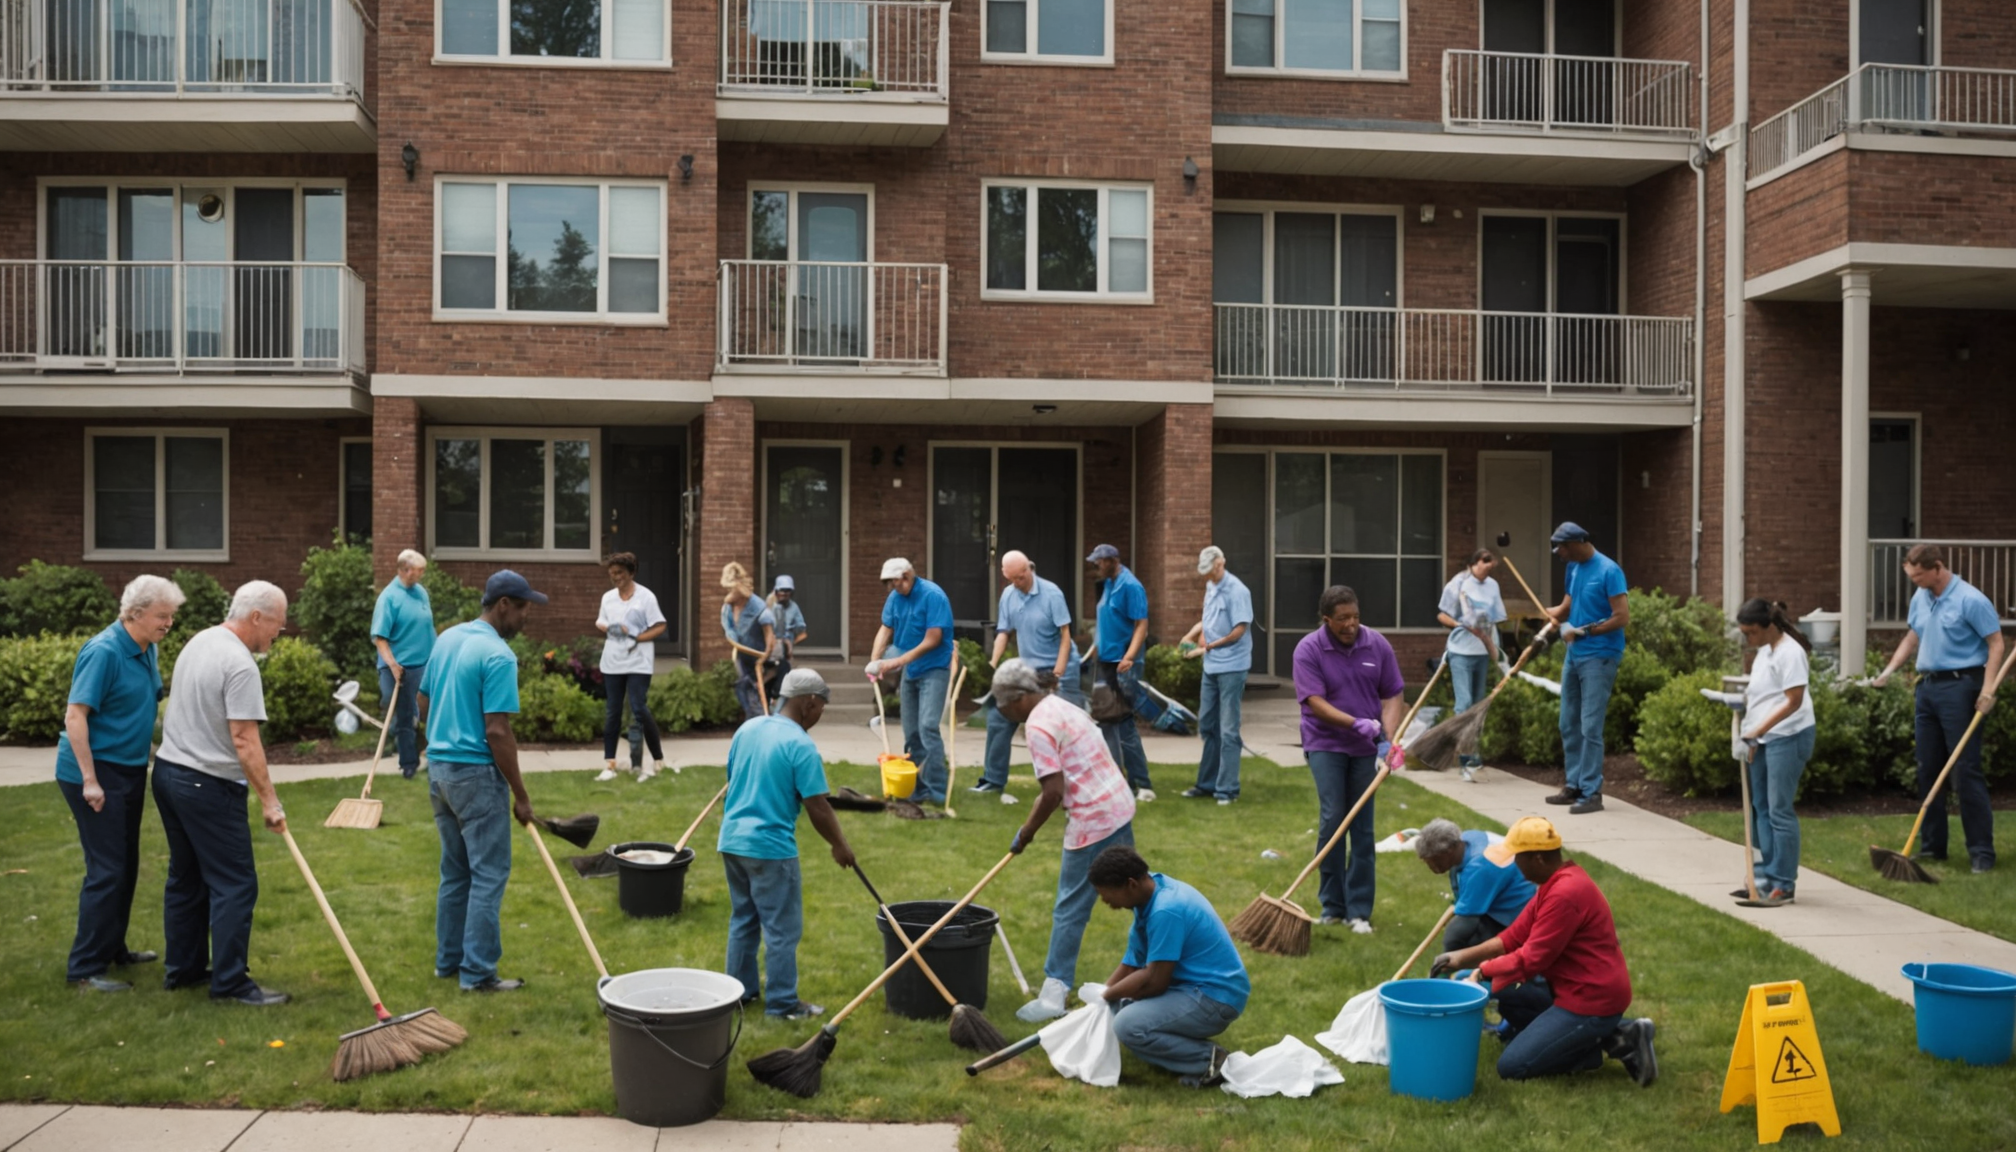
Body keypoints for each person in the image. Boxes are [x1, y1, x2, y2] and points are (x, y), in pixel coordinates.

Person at [1431, 816, 1657, 1087]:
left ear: (1537, 858)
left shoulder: (1565, 893)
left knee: (1512, 1066)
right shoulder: (1553, 884)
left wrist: (1481, 972)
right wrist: (1461, 958)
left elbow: (1531, 959)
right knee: (1505, 990)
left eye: (1518, 858)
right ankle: (1601, 1035)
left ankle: (1610, 1042)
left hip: (1590, 1000)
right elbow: (1514, 936)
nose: (1514, 865)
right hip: (1567, 989)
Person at [152, 580, 291, 1005]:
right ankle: (230, 984)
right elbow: (244, 738)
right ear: (255, 617)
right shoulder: (240, 663)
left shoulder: (200, 641)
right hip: (206, 784)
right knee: (235, 884)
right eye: (277, 626)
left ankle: (185, 970)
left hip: (169, 774)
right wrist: (270, 801)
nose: (277, 634)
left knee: (187, 877)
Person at [418, 571, 545, 993]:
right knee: (489, 874)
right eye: (524, 607)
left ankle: (447, 963)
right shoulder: (499, 656)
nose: (528, 616)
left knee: (455, 872)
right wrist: (521, 796)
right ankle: (477, 973)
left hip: (439, 771)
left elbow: (423, 701)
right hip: (475, 775)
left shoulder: (448, 638)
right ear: (504, 604)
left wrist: (442, 733)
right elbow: (497, 732)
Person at [57, 574, 183, 992]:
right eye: (162, 615)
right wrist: (91, 781)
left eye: (171, 615)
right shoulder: (104, 651)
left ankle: (113, 948)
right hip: (94, 771)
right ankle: (84, 969)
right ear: (135, 613)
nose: (169, 623)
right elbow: (76, 716)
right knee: (107, 869)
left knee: (125, 864)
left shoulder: (146, 648)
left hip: (127, 769)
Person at [997, 658, 1137, 1023]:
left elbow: (1051, 792)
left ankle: (1054, 993)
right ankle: (1147, 976)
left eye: (1000, 702)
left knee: (1070, 907)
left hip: (1094, 817)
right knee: (1137, 893)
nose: (999, 710)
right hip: (1119, 805)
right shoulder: (1061, 705)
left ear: (1018, 698)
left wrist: (1026, 833)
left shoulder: (1038, 725)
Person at [718, 669, 856, 1019]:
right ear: (808, 702)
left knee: (743, 920)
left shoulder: (747, 729)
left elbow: (731, 778)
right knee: (781, 929)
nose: (820, 715)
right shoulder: (800, 745)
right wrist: (839, 844)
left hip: (732, 842)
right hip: (769, 848)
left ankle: (739, 994)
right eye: (821, 708)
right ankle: (782, 1005)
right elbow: (818, 806)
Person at [1873, 544, 2006, 873]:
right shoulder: (1921, 597)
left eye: (1919, 576)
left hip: (1961, 687)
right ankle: (1933, 848)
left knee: (1964, 770)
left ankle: (1981, 853)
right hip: (1928, 688)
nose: (1915, 582)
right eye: (1911, 576)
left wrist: (1988, 689)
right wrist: (1888, 671)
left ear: (1938, 567)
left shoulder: (1970, 600)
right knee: (1928, 769)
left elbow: (1996, 642)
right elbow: (1912, 636)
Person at [1293, 585, 1405, 933]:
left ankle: (1359, 911)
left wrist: (1387, 739)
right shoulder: (1309, 649)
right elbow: (1315, 701)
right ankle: (1332, 906)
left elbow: (1392, 694)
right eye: (1342, 619)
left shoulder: (1377, 645)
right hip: (1325, 741)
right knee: (1332, 819)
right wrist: (1354, 722)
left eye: (1355, 617)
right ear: (1327, 620)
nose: (1351, 624)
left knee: (1362, 826)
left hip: (1366, 747)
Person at [1092, 846, 1248, 1089]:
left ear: (1131, 884)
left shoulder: (1166, 909)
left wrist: (1107, 994)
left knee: (1127, 1025)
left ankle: (1208, 1060)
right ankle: (1182, 1052)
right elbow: (1132, 963)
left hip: (1215, 998)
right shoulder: (1149, 895)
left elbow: (1155, 981)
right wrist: (1100, 998)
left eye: (1106, 894)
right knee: (1118, 1006)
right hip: (1191, 989)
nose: (1105, 901)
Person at [1731, 600, 1817, 904]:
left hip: (1789, 736)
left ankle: (1784, 884)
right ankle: (1764, 876)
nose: (1747, 639)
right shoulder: (1764, 652)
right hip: (1763, 739)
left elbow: (1793, 701)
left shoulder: (1790, 652)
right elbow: (1762, 698)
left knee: (1779, 810)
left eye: (1750, 632)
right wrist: (1751, 735)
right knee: (1760, 808)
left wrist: (1759, 730)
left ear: (1768, 626)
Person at [976, 550, 1080, 801]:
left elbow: (1065, 636)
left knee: (1060, 730)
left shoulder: (1052, 594)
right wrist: (992, 663)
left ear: (1028, 570)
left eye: (1019, 578)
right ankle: (992, 781)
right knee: (998, 715)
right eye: (1011, 579)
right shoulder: (1009, 595)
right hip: (1027, 671)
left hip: (1056, 668)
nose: (1016, 584)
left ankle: (1074, 785)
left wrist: (1059, 674)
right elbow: (1004, 632)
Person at [1543, 522, 1630, 815]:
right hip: (1574, 653)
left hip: (1601, 655)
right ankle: (1575, 785)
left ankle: (1592, 793)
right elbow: (1568, 604)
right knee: (1568, 722)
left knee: (1590, 726)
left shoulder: (1609, 570)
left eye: (1563, 547)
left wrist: (1584, 632)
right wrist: (1552, 613)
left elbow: (1621, 617)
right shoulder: (1574, 567)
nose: (1560, 553)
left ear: (1580, 542)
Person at [866, 557, 956, 805]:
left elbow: (933, 639)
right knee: (911, 732)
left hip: (934, 669)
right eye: (891, 584)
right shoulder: (895, 597)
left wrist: (895, 662)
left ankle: (937, 790)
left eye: (896, 583)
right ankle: (917, 785)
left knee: (928, 727)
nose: (894, 589)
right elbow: (885, 629)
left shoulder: (933, 596)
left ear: (907, 576)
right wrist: (875, 661)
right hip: (911, 671)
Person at [1179, 546, 1253, 805]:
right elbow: (1207, 619)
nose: (1208, 576)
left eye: (1210, 570)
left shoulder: (1238, 591)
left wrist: (1205, 648)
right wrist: (1190, 635)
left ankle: (1227, 790)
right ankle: (1207, 784)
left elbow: (1239, 631)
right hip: (1211, 666)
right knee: (1208, 726)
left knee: (1229, 730)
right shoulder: (1212, 586)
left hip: (1232, 666)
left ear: (1220, 563)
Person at [1087, 543, 1154, 800]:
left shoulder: (1131, 586)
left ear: (1112, 560)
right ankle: (1115, 780)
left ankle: (1143, 785)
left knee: (1124, 723)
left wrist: (1129, 656)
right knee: (1106, 720)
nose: (1096, 566)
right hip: (1105, 661)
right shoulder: (1108, 584)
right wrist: (1096, 646)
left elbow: (1141, 626)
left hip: (1124, 663)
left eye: (1099, 562)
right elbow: (1106, 621)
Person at [594, 551, 667, 783]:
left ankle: (657, 759)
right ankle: (610, 764)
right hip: (613, 661)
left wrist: (636, 637)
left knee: (639, 708)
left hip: (638, 662)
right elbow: (601, 620)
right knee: (612, 711)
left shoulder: (646, 597)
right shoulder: (608, 598)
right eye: (612, 574)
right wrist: (606, 627)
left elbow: (660, 626)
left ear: (631, 573)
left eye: (620, 573)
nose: (616, 577)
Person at [1412, 818, 1535, 952]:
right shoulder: (1466, 839)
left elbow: (1466, 921)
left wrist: (1447, 959)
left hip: (1517, 911)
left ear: (1449, 850)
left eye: (1435, 859)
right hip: (1501, 894)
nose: (1431, 866)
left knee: (1475, 946)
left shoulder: (1479, 866)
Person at [1437, 549, 1507, 783]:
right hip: (1461, 651)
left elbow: (1496, 618)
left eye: (1492, 562)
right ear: (1473, 562)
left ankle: (1473, 754)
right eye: (1485, 561)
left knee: (1478, 704)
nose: (1489, 566)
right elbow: (1442, 615)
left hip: (1483, 651)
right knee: (1464, 703)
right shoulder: (1458, 584)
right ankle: (1463, 757)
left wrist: (1494, 646)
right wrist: (1461, 624)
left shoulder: (1493, 586)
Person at [371, 549, 436, 781]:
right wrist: (393, 665)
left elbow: (428, 627)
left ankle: (436, 758)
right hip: (399, 665)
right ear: (404, 570)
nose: (421, 575)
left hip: (425, 663)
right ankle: (408, 763)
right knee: (404, 714)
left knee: (432, 710)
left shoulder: (421, 593)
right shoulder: (389, 598)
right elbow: (380, 638)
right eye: (418, 571)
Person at [720, 562, 776, 724]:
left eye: (732, 588)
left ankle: (762, 724)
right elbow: (729, 627)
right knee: (743, 688)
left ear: (740, 588)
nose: (729, 592)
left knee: (756, 692)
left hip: (758, 658)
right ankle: (754, 723)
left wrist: (764, 656)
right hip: (742, 656)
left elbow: (769, 636)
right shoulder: (729, 607)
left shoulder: (758, 608)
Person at [764, 575, 809, 709]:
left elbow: (802, 632)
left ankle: (776, 700)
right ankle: (767, 704)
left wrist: (791, 643)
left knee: (783, 674)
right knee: (768, 675)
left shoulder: (793, 608)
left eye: (788, 591)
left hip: (785, 646)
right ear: (776, 591)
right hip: (770, 646)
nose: (784, 594)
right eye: (782, 590)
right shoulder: (769, 604)